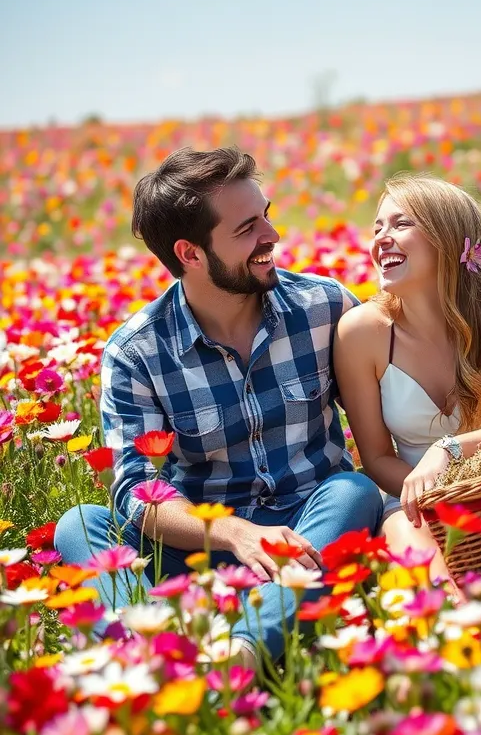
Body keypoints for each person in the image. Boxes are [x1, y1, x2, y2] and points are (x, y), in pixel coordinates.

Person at [54, 147, 384, 669]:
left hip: (306, 534)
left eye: (267, 214)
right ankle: (145, 659)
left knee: (353, 491)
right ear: (190, 253)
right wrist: (235, 532)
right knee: (79, 523)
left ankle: (236, 655)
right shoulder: (138, 351)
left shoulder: (325, 306)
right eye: (247, 227)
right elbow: (140, 491)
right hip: (200, 550)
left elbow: (403, 389)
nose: (272, 234)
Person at [333, 173, 481, 589]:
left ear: (449, 239)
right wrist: (432, 494)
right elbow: (376, 459)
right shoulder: (361, 334)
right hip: (418, 506)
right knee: (418, 560)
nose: (381, 239)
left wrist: (447, 451)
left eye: (401, 224)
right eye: (377, 228)